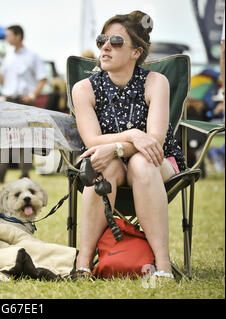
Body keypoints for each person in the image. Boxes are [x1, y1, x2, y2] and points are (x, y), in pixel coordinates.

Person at [71, 11, 186, 280]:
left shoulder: (156, 82)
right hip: (110, 165)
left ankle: (163, 265)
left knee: (142, 162)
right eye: (102, 40)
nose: (106, 47)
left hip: (158, 163)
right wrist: (133, 134)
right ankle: (83, 262)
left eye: (116, 41)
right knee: (103, 164)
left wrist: (117, 147)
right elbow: (92, 141)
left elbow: (155, 141)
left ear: (136, 51)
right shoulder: (84, 88)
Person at [0, 25, 47, 183]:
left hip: (24, 100)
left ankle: (25, 174)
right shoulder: (8, 56)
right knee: (3, 138)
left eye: (9, 35)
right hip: (8, 100)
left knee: (25, 139)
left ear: (18, 36)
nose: (6, 38)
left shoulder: (32, 56)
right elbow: (3, 81)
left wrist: (32, 95)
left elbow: (43, 78)